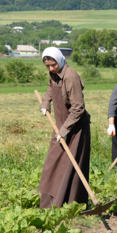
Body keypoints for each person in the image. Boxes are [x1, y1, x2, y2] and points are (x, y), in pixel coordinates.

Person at [37, 46, 91, 208]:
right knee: (52, 165)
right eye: (48, 66)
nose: (51, 68)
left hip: (76, 128)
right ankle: (50, 203)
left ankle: (72, 204)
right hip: (61, 127)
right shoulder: (54, 74)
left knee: (70, 166)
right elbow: (49, 90)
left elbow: (78, 108)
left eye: (53, 65)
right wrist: (45, 103)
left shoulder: (71, 77)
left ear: (59, 60)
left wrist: (64, 130)